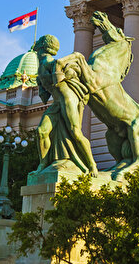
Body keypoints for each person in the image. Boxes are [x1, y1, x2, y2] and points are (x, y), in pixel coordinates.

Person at [32, 34, 98, 177]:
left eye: (37, 49)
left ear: (42, 48)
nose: (36, 52)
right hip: (57, 102)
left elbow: (62, 70)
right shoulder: (41, 68)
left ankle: (92, 165)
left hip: (68, 99)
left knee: (75, 132)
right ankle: (43, 165)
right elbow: (44, 97)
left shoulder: (50, 62)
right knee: (41, 131)